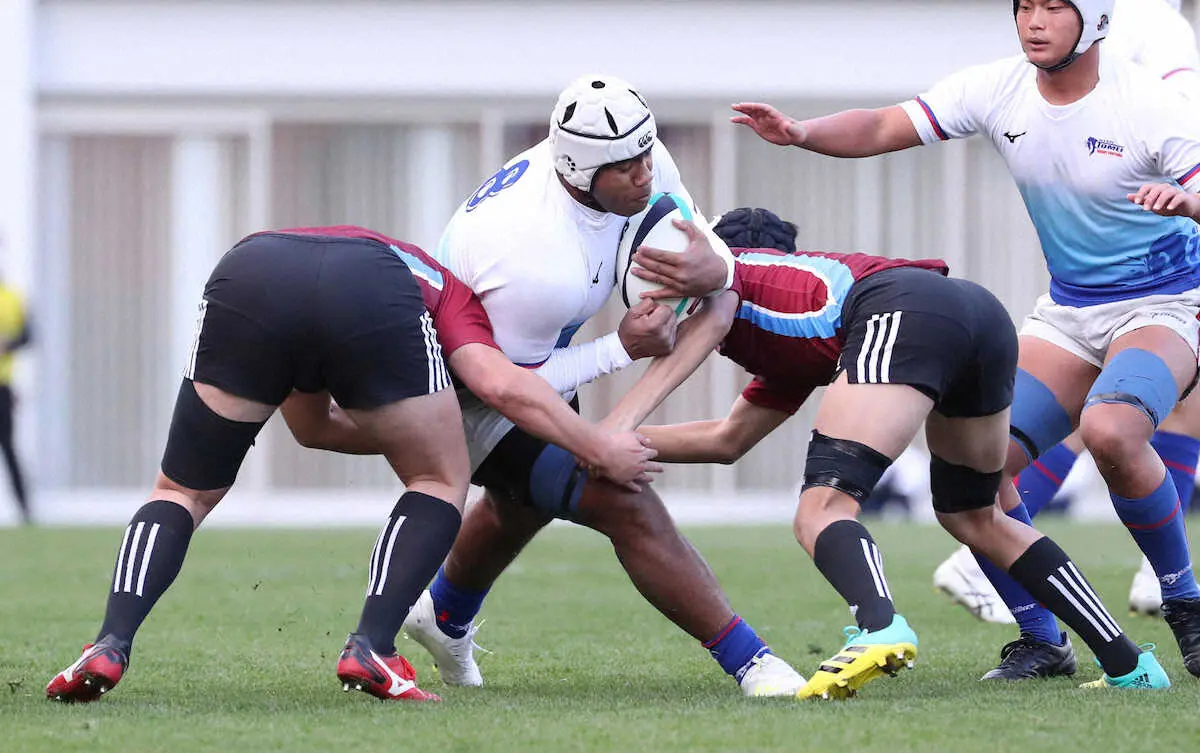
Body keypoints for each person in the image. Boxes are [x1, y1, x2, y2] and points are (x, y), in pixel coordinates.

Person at [730, 0, 1200, 681]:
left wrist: (1186, 201)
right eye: (1025, 6)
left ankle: (1184, 600)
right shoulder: (998, 87)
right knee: (973, 478)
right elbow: (887, 123)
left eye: (1054, 8)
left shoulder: (1148, 104)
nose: (1034, 21)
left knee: (1111, 430)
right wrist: (801, 132)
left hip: (1167, 302)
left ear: (1096, 21)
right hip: (1068, 314)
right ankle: (1043, 639)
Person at [45, 225, 661, 704]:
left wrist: (419, 430)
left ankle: (108, 644)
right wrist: (595, 440)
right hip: (369, 286)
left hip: (250, 269)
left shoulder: (372, 258)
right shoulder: (453, 293)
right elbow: (500, 386)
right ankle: (371, 647)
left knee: (181, 489)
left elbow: (312, 429)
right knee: (439, 478)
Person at [608, 205, 1170, 697]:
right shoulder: (794, 328)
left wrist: (616, 421)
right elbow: (727, 439)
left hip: (900, 309)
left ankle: (880, 627)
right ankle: (1129, 664)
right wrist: (595, 443)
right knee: (976, 514)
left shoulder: (729, 281)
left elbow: (719, 307)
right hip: (975, 314)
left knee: (821, 509)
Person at [400, 74, 807, 698]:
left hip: (535, 357)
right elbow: (505, 388)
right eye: (626, 168)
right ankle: (753, 663)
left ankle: (444, 612)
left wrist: (715, 265)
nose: (646, 175)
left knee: (527, 496)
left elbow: (715, 273)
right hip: (457, 391)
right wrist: (617, 359)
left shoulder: (634, 156)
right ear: (576, 169)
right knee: (620, 494)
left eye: (649, 154)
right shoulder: (528, 259)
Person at [933, 0, 1200, 627]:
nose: (1036, 19)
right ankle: (1075, 599)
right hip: (1111, 287)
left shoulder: (1139, 31)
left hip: (1162, 277)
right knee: (1121, 415)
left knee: (1121, 417)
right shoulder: (1153, 23)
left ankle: (1162, 582)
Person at [0, 271, 31, 525]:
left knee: (8, 449)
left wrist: (8, 344)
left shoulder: (12, 298)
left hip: (3, 386)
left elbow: (28, 335)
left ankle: (25, 510)